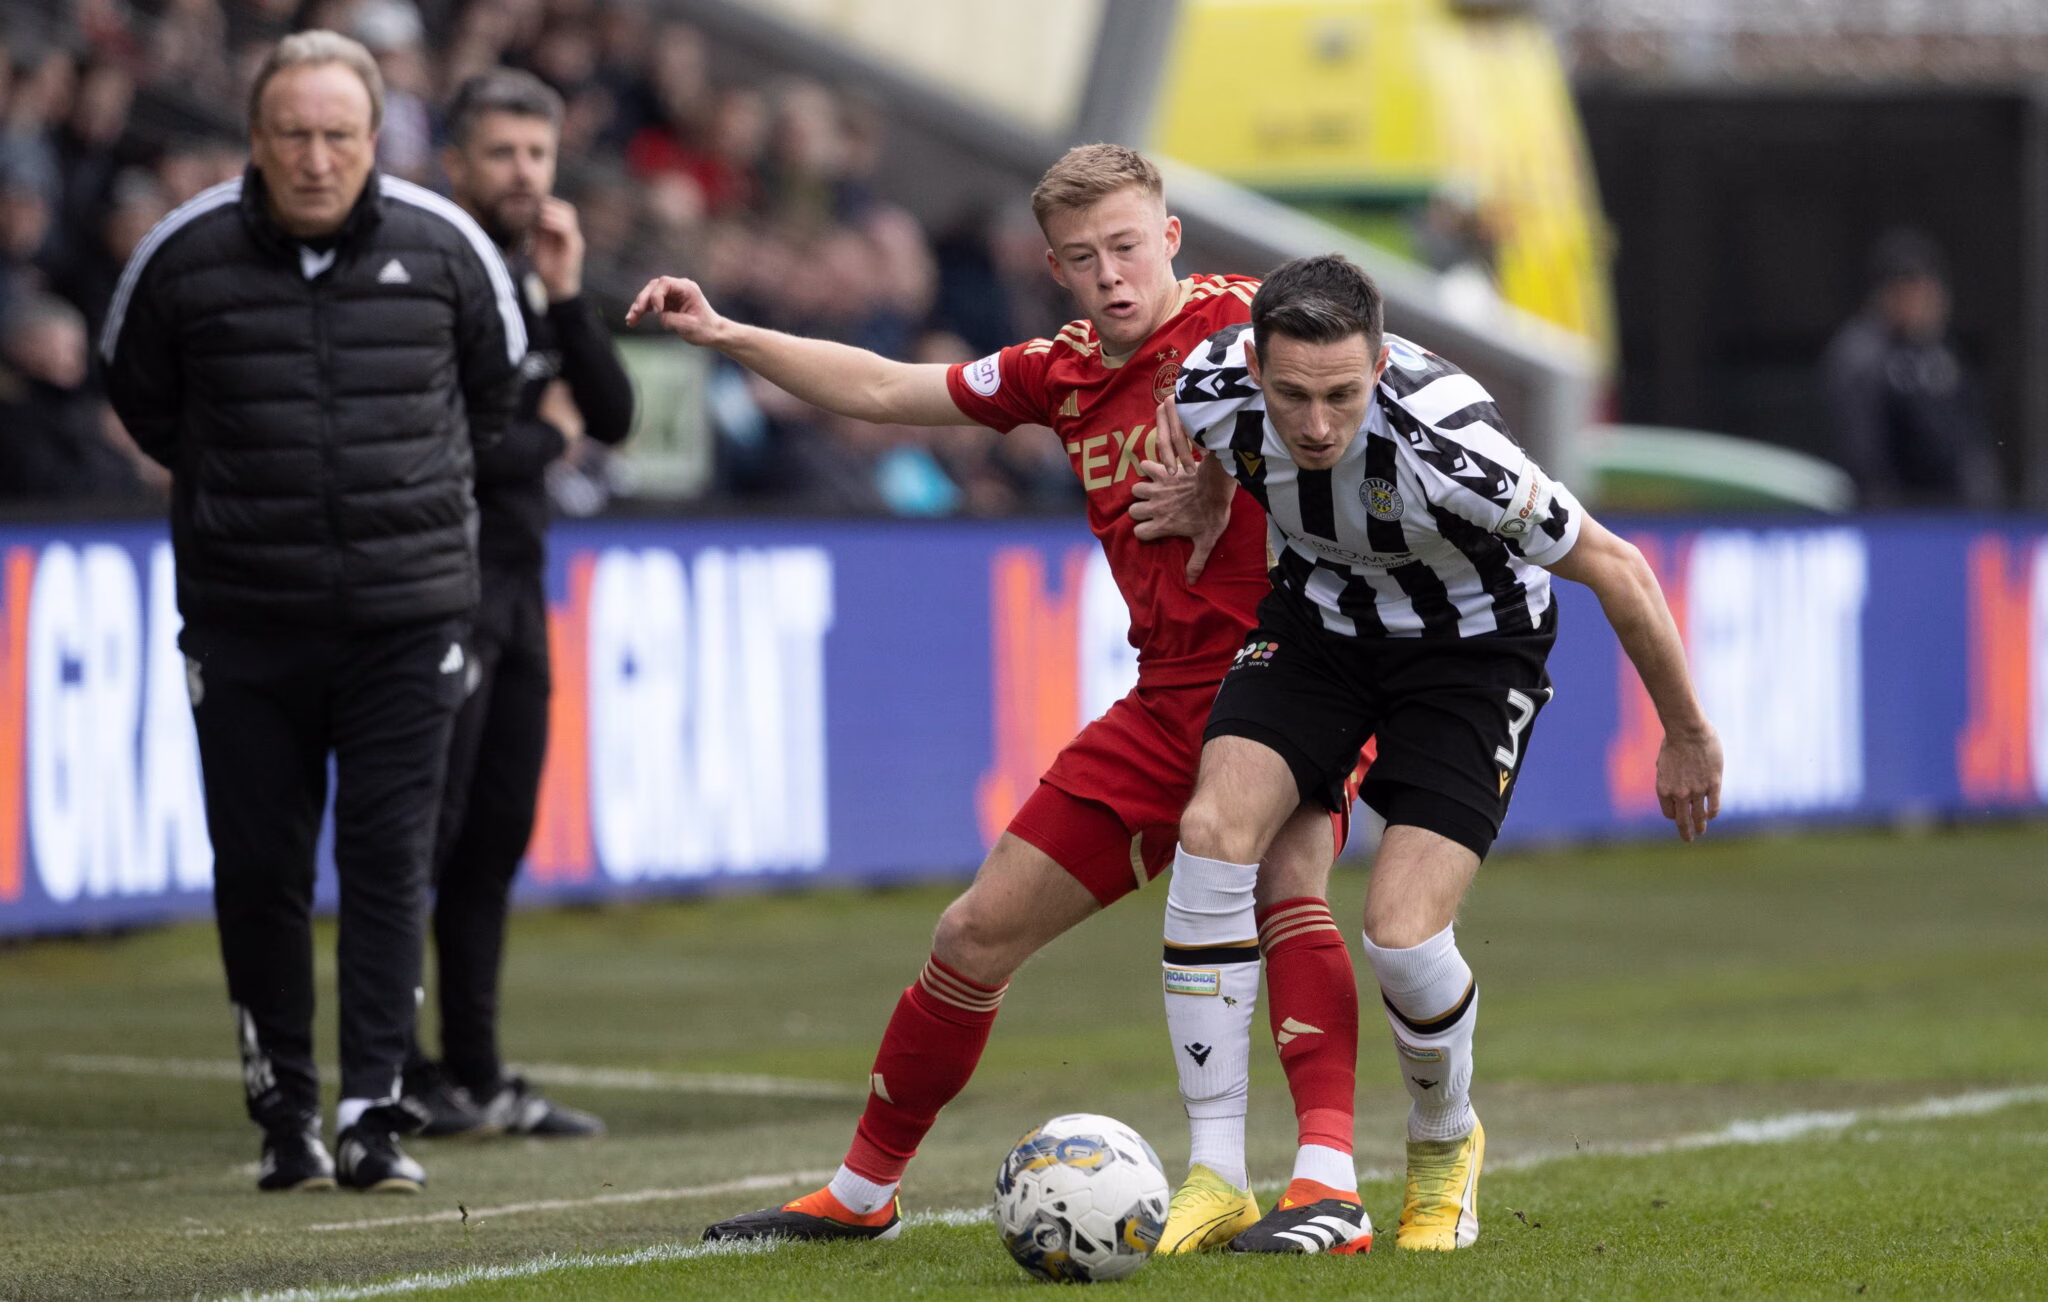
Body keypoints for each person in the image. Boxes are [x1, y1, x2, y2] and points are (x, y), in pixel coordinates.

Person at [628, 144, 1366, 1253]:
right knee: (971, 935)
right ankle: (861, 1194)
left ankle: (1325, 1185)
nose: (1111, 274)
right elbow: (884, 388)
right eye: (1083, 258)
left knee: (1283, 879)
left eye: (1126, 246)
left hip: (1291, 671)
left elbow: (1366, 393)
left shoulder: (1249, 326)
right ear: (1054, 269)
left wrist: (1231, 473)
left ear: (1168, 238)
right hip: (1164, 701)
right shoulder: (1055, 371)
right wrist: (729, 334)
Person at [1158, 253, 1722, 1251]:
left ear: (1378, 367)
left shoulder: (1451, 446)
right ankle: (1214, 1174)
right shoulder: (1210, 384)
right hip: (1319, 627)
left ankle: (1441, 1143)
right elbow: (1202, 425)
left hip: (1471, 652)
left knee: (1401, 935)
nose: (1317, 424)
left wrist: (1682, 732)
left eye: (1341, 395)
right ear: (1254, 367)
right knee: (1210, 832)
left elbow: (1621, 571)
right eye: (1291, 396)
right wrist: (1209, 496)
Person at [100, 30, 524, 1194]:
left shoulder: (448, 250)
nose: (316, 155)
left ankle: (374, 1113)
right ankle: (285, 1111)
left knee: (390, 865)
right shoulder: (180, 259)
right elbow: (138, 396)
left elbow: (495, 395)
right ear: (255, 138)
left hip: (408, 619)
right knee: (260, 867)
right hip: (244, 621)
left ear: (374, 140)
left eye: (339, 133)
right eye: (293, 132)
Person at [399, 67, 634, 1140]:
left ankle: (479, 1071)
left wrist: (569, 293)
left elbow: (615, 413)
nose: (524, 175)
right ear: (454, 163)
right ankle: (393, 1068)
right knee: (422, 834)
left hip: (518, 588)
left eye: (537, 154)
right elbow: (463, 449)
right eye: (501, 154)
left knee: (492, 834)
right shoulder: (428, 276)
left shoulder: (537, 278)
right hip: (437, 591)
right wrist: (548, 433)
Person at [1821, 228, 1999, 508]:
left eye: (1932, 290)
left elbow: (1968, 444)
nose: (1930, 302)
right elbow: (1863, 456)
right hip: (1893, 518)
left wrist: (1983, 503)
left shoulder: (1940, 352)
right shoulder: (1861, 354)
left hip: (1953, 517)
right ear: (1891, 293)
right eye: (1917, 291)